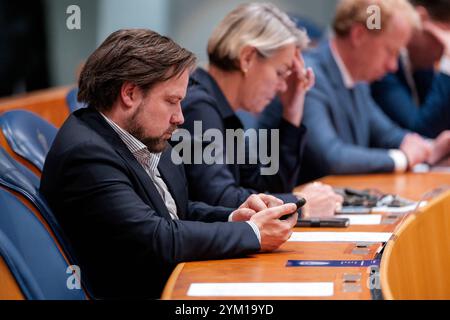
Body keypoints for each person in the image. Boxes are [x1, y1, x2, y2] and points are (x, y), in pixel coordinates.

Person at [40, 29, 299, 299]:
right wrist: (252, 233)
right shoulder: (86, 154)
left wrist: (235, 217)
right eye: (172, 101)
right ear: (129, 93)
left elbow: (178, 211)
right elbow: (156, 238)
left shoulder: (141, 133)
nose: (180, 117)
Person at [179, 3, 343, 217]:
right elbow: (219, 198)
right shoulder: (198, 106)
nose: (283, 86)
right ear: (247, 58)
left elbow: (266, 186)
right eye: (280, 72)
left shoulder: (222, 110)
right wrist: (301, 204)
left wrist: (292, 110)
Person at [259, 0, 450, 183]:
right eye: (390, 51)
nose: (393, 66)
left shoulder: (358, 82)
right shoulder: (309, 76)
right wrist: (403, 158)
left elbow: (387, 133)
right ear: (359, 35)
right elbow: (332, 157)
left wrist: (430, 148)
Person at [371, 0, 450, 138]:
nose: (443, 51)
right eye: (444, 40)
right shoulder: (382, 66)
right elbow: (418, 130)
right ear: (420, 20)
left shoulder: (423, 66)